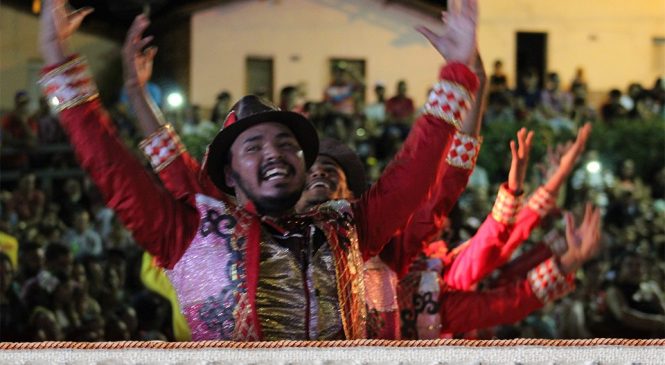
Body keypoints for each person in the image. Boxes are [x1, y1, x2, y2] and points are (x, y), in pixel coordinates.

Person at [39, 0, 480, 341]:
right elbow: (111, 168)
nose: (274, 152)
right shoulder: (191, 235)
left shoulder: (349, 227)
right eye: (254, 146)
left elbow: (413, 175)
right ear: (229, 176)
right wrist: (58, 59)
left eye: (286, 143)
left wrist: (457, 75)